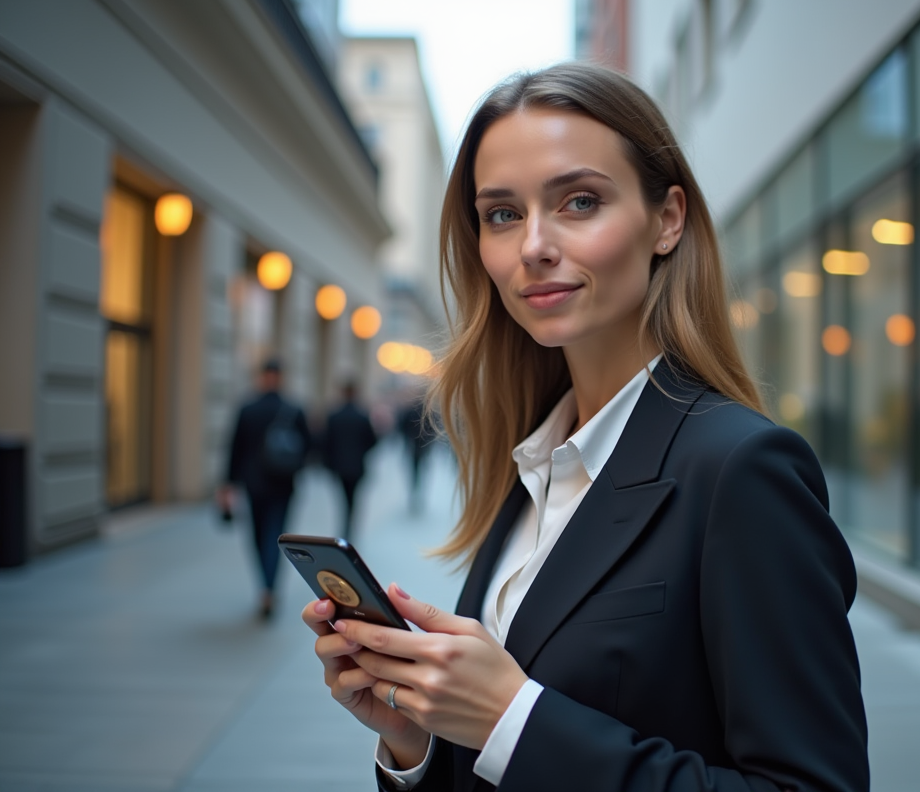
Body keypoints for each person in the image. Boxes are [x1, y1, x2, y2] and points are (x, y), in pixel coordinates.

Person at [301, 63, 869, 791]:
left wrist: (512, 720)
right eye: (502, 214)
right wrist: (416, 742)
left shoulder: (743, 470)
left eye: (579, 201)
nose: (533, 245)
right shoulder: (533, 463)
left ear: (667, 219)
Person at [221, 358, 311, 620]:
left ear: (262, 376)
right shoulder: (293, 409)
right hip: (283, 484)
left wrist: (228, 484)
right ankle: (270, 588)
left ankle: (265, 587)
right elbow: (308, 448)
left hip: (254, 484)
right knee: (277, 535)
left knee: (258, 536)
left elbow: (234, 448)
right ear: (281, 377)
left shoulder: (248, 408)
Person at [323, 381, 379, 540]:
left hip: (339, 466)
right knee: (352, 498)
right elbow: (372, 440)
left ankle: (346, 525)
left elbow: (326, 442)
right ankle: (349, 525)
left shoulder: (334, 416)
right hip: (356, 466)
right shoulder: (361, 416)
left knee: (343, 497)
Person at [395, 382, 434, 514]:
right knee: (421, 472)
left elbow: (402, 428)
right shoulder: (427, 412)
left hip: (414, 447)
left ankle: (415, 494)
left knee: (415, 472)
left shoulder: (411, 412)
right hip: (422, 448)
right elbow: (433, 431)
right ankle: (417, 494)